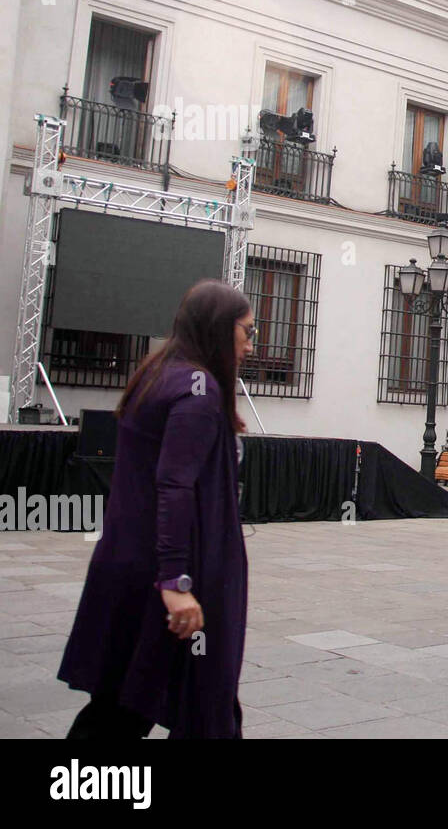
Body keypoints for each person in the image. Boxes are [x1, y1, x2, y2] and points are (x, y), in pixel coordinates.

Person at [58, 280, 255, 738]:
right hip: (160, 578)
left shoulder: (158, 373)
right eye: (247, 330)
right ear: (220, 330)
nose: (250, 342)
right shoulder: (198, 391)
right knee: (143, 707)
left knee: (129, 702)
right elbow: (174, 486)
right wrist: (176, 582)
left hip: (130, 565)